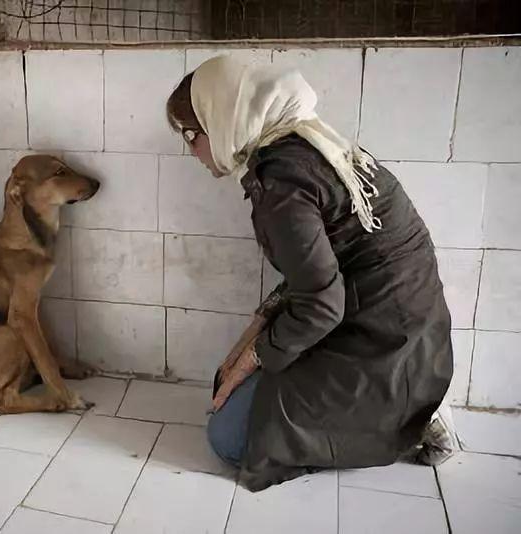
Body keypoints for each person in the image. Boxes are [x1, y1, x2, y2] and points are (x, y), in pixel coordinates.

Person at [166, 55, 454, 492]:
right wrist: (256, 330)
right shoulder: (308, 145)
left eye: (190, 134)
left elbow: (321, 300)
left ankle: (407, 419)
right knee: (228, 384)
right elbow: (317, 271)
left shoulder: (283, 180)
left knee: (228, 438)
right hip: (401, 328)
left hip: (381, 345)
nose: (191, 150)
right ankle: (411, 403)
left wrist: (254, 356)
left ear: (220, 117)